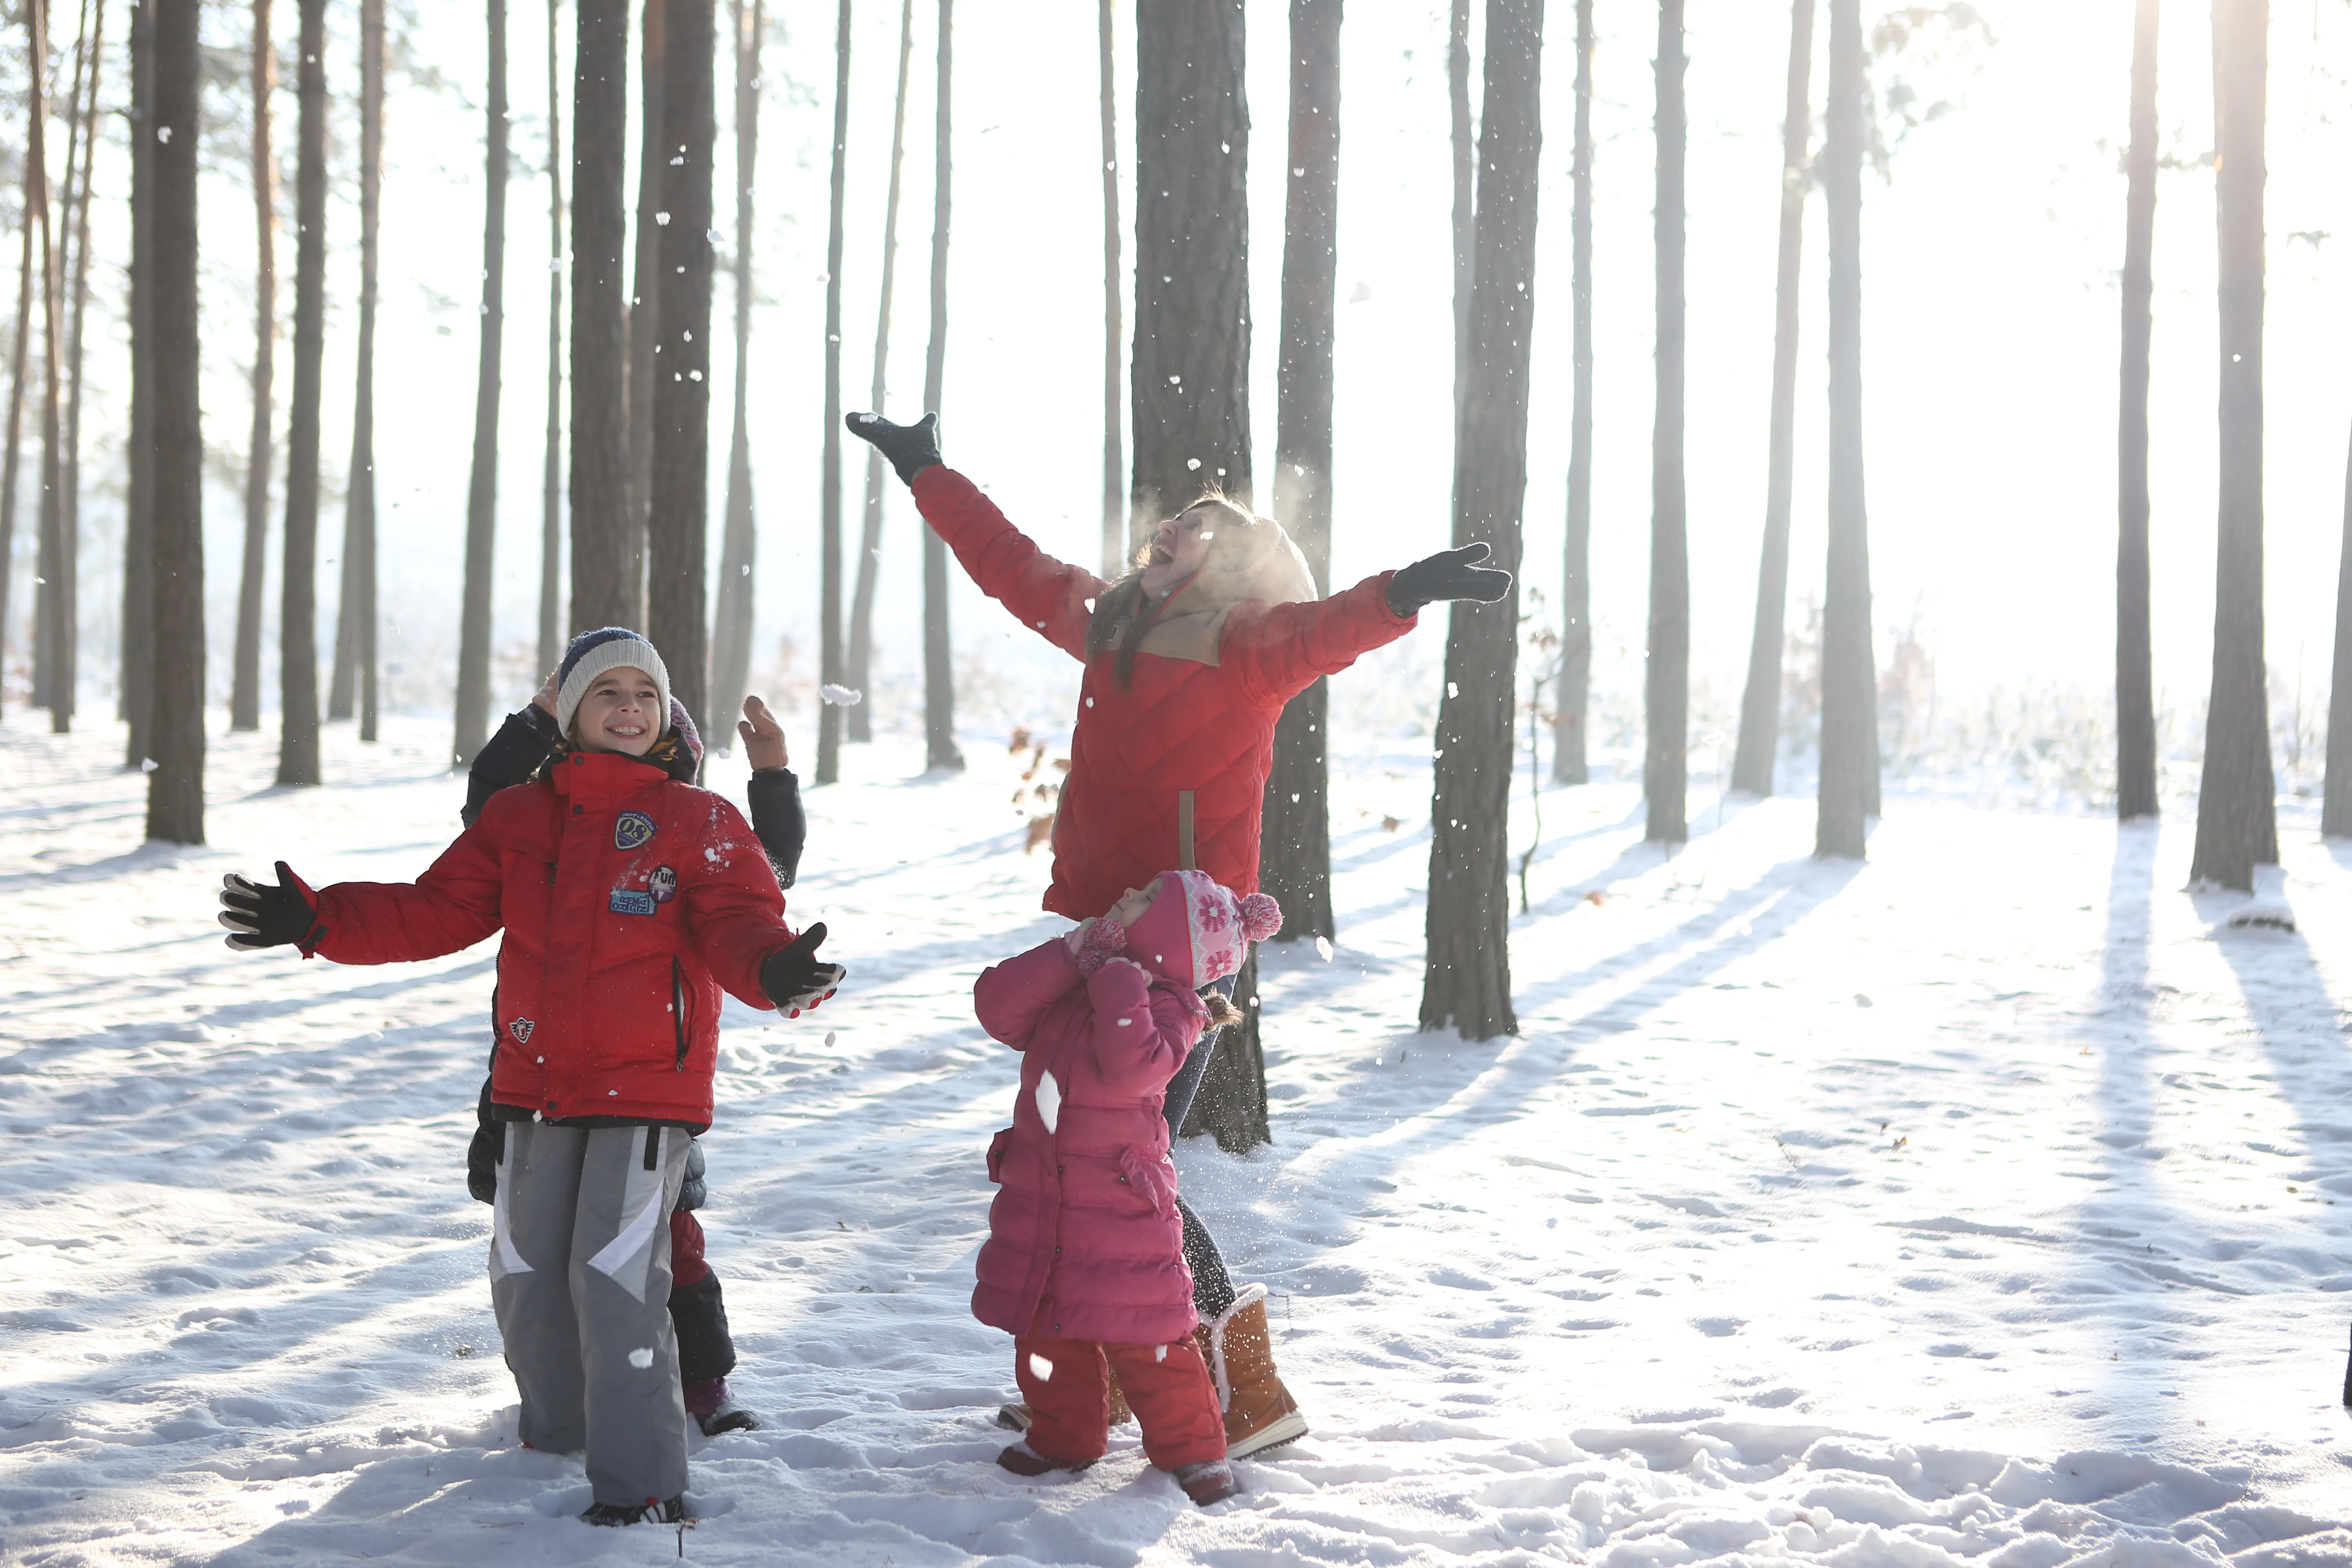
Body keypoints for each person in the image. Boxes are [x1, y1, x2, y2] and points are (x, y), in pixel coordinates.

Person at [846, 409, 1512, 1457]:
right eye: (1174, 519)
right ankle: (1104, 1382)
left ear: (1238, 566)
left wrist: (1404, 592)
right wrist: (929, 470)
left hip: (1174, 949)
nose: (1174, 528)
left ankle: (1239, 1385)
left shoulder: (1247, 647)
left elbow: (1330, 627)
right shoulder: (1110, 623)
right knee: (1079, 1149)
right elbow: (1010, 567)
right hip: (1089, 942)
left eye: (1204, 525)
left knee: (1118, 1161)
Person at [216, 628, 844, 1528]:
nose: (628, 707)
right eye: (607, 693)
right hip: (535, 1087)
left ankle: (642, 1483)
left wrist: (777, 972)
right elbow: (431, 912)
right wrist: (321, 919)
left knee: (617, 1277)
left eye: (644, 694)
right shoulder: (520, 816)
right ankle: (555, 1444)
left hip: (643, 1093)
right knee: (524, 1271)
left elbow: (741, 922)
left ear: (663, 715)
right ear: (573, 712)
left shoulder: (696, 820)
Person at [458, 678, 810, 1438]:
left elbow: (767, 874)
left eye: (665, 747)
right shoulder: (536, 824)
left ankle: (700, 1382)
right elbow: (486, 810)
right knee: (541, 1253)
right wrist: (533, 718)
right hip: (533, 1081)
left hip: (646, 1085)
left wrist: (772, 776)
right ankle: (571, 1398)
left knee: (667, 1248)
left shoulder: (688, 835)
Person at [974, 869, 1283, 1505]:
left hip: (1120, 1208)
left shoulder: (1175, 1008)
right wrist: (1068, 956)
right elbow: (997, 1008)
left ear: (1171, 942)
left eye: (1142, 898)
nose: (1122, 894)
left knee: (1149, 1335)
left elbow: (1130, 1067)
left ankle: (1194, 1450)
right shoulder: (1076, 985)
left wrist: (1116, 977)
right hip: (1044, 1196)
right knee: (1046, 1325)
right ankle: (1065, 1436)